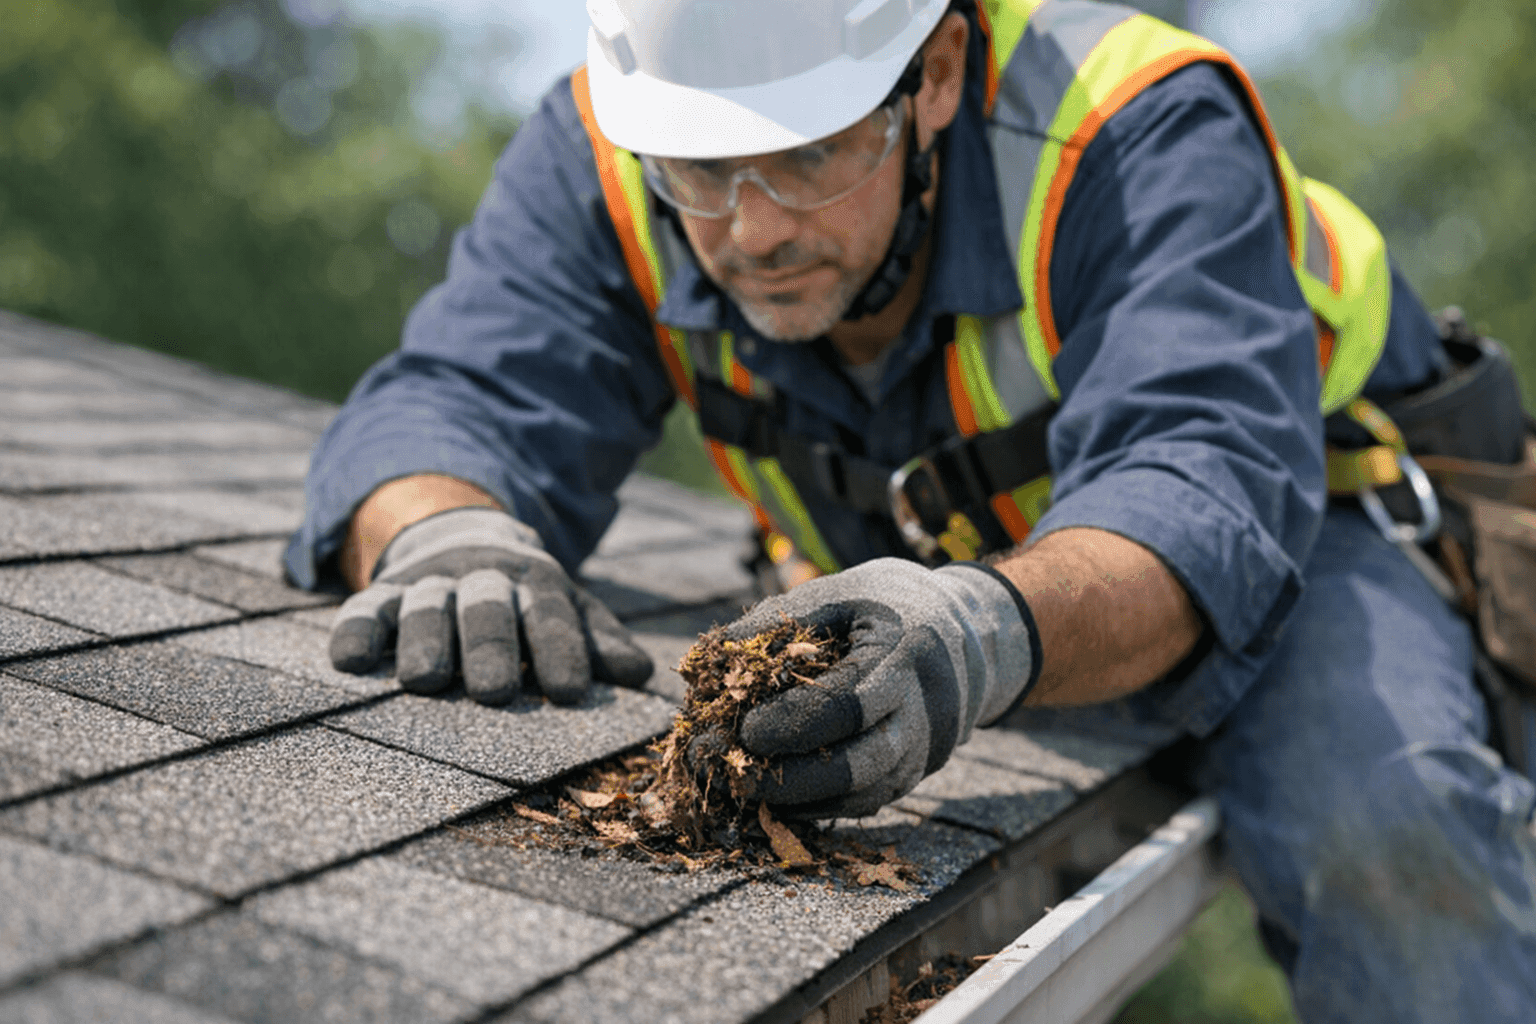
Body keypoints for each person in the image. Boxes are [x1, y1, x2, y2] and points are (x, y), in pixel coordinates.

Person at [285, 1, 1536, 1018]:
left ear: (935, 71)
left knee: (1388, 825)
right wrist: (439, 525)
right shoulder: (616, 144)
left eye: (809, 153)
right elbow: (456, 397)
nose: (752, 228)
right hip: (938, 581)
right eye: (703, 174)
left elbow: (1195, 490)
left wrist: (975, 631)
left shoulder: (1136, 124)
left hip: (1308, 531)